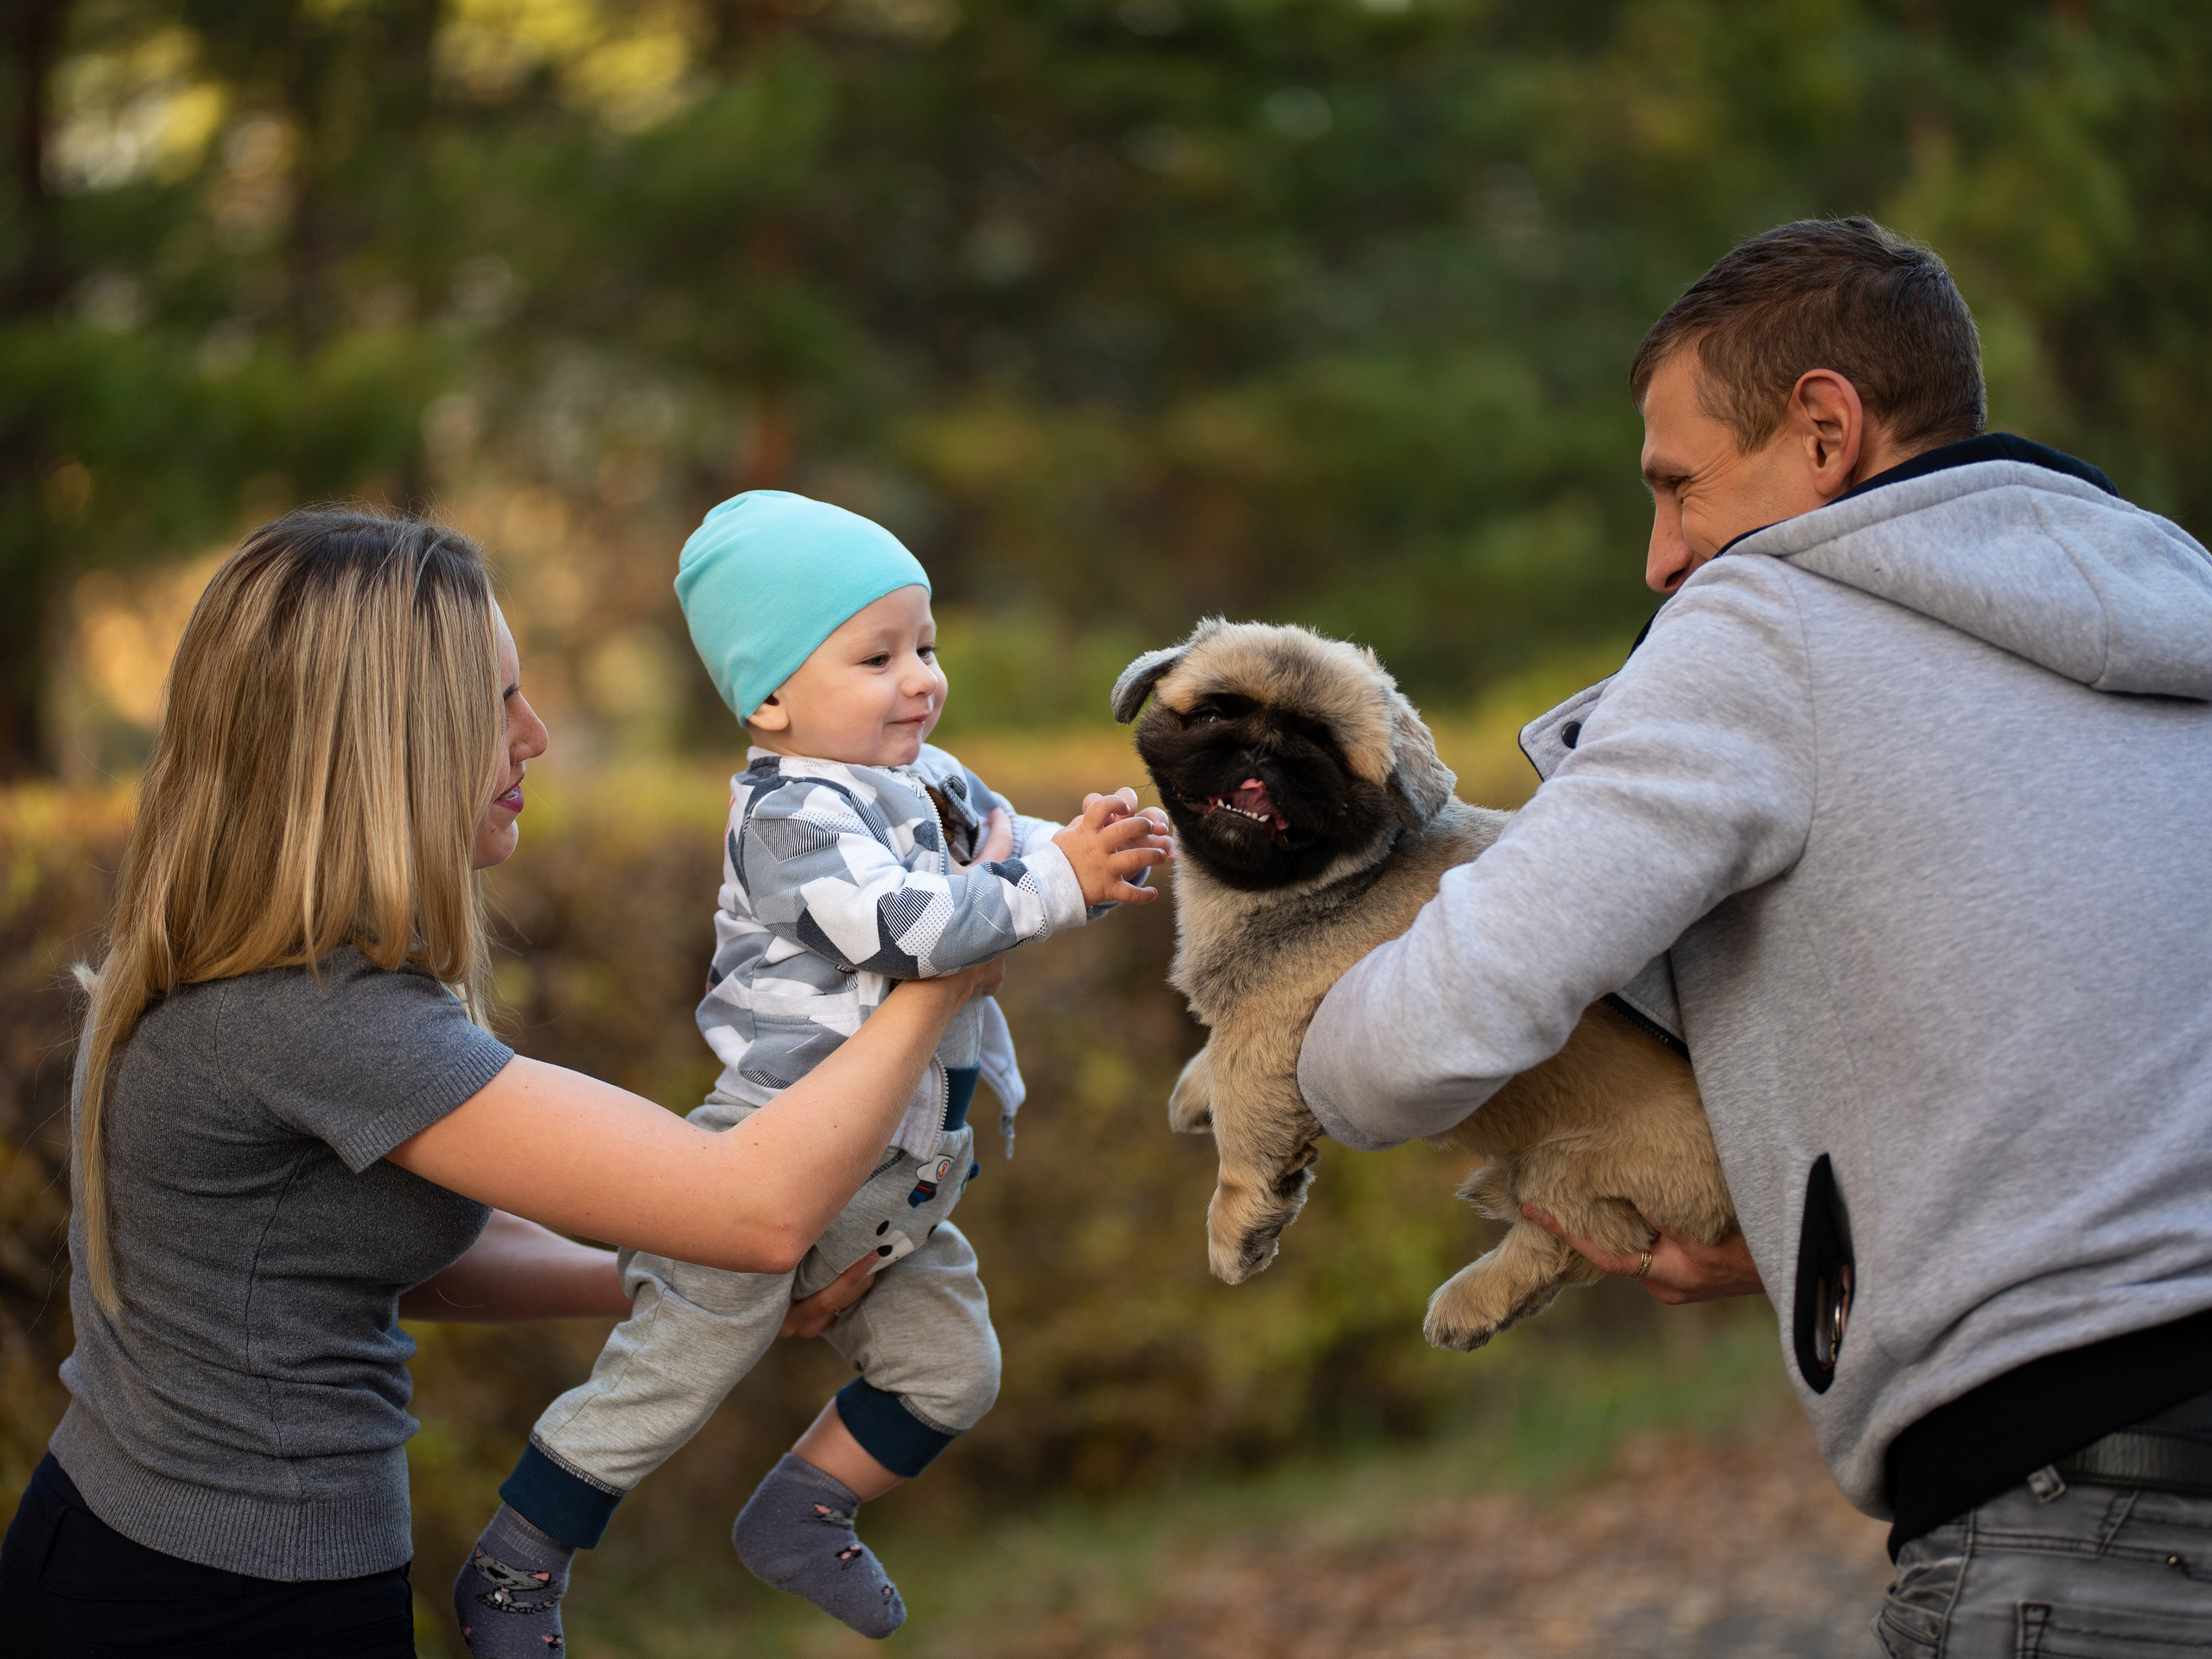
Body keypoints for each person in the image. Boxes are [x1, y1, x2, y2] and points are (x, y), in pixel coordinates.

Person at [1295, 218, 2212, 1653]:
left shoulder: (1767, 620)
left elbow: (1418, 1041)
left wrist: (1297, 1020)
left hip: (2069, 1511)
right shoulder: (2179, 598)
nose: (1663, 558)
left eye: (1679, 486)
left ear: (1825, 431)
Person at [0, 508, 1012, 1656]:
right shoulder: (315, 1019)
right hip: (201, 1602)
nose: (535, 735)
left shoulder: (284, 978)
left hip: (189, 1559)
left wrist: (671, 1288)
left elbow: (387, 1252)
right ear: (385, 744)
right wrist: (946, 967)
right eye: (498, 703)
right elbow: (758, 1210)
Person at [452, 492, 1173, 1654]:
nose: (921, 679)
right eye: (878, 658)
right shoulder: (786, 819)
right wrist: (1050, 886)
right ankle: (518, 1564)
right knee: (667, 1375)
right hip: (774, 1141)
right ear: (770, 700)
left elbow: (1018, 854)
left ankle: (805, 1508)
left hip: (898, 1176)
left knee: (955, 1370)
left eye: (925, 646)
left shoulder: (931, 779)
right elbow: (906, 927)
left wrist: (1104, 848)